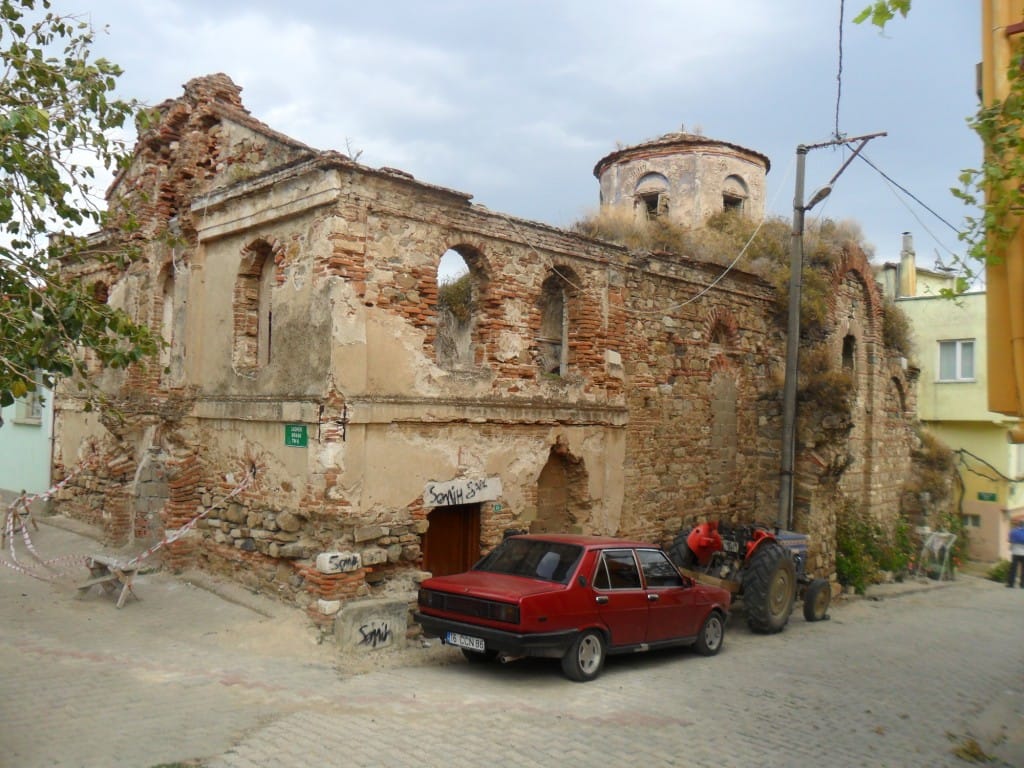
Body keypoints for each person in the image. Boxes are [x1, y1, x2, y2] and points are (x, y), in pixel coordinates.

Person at [1008, 519, 1024, 588]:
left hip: (1015, 552)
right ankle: (1022, 584)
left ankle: (1011, 584)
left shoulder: (1013, 531)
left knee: (1013, 569)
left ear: (1018, 524)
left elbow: (1010, 540)